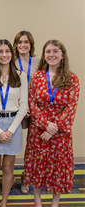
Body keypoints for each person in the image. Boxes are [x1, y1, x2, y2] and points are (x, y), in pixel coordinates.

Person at [23, 40, 79, 207]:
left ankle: (55, 203)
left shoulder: (72, 79)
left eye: (55, 51)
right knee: (37, 165)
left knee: (58, 168)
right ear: (44, 55)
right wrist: (44, 125)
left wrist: (54, 128)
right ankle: (38, 202)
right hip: (38, 131)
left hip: (60, 133)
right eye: (48, 51)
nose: (51, 54)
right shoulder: (37, 77)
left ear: (62, 55)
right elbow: (32, 102)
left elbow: (71, 106)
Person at [0, 39, 28, 207]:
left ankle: (4, 202)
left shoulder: (21, 76)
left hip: (13, 123)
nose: (4, 55)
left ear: (12, 53)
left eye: (7, 51)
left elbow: (24, 107)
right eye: (0, 51)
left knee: (8, 168)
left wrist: (10, 131)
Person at [12, 30, 39, 194]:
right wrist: (23, 105)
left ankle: (27, 177)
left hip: (35, 108)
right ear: (15, 45)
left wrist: (31, 106)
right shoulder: (11, 61)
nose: (23, 45)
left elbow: (42, 84)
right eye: (19, 42)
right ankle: (10, 176)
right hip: (17, 106)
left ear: (31, 45)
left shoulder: (37, 61)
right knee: (13, 143)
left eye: (26, 42)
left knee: (32, 145)